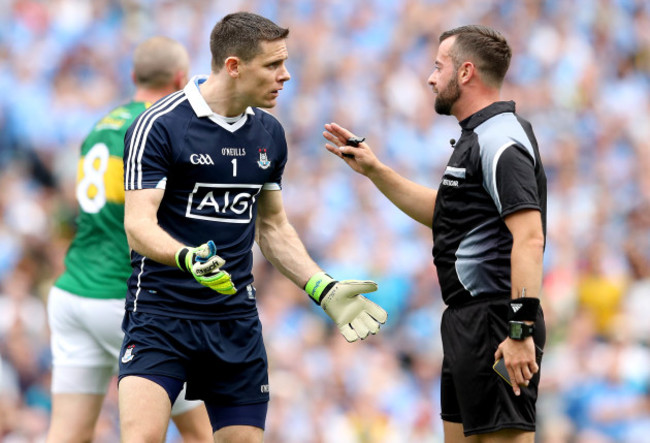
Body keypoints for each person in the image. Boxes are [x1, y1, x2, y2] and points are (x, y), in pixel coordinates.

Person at [118, 12, 387, 443]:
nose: (286, 75)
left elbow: (273, 227)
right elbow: (137, 226)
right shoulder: (160, 125)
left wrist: (323, 287)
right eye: (273, 65)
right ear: (233, 66)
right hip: (162, 314)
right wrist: (187, 258)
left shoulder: (270, 134)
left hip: (234, 321)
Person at [324, 25, 547, 442]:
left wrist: (520, 332)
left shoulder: (501, 139)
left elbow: (530, 238)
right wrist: (376, 170)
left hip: (498, 321)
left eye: (438, 66)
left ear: (465, 73)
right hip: (465, 321)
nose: (430, 77)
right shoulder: (475, 137)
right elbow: (447, 216)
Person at [46, 36, 214, 443]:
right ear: (180, 78)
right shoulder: (165, 128)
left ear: (134, 76)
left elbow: (76, 208)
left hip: (73, 293)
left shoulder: (102, 124)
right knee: (204, 432)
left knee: (67, 434)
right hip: (128, 299)